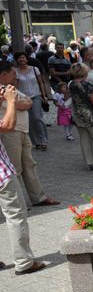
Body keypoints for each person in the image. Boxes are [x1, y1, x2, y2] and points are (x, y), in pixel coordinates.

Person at [0, 72, 45, 274]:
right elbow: (7, 126)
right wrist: (10, 102)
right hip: (2, 174)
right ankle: (24, 262)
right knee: (16, 214)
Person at [0, 62, 58, 207]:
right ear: (3, 74)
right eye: (13, 73)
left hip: (22, 131)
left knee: (29, 165)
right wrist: (19, 102)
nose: (16, 76)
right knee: (15, 168)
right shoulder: (2, 91)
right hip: (10, 132)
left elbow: (28, 101)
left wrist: (20, 102)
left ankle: (39, 197)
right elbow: (20, 104)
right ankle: (18, 203)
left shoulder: (10, 89)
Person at [13, 52, 50, 151]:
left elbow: (41, 83)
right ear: (17, 60)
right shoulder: (16, 72)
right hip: (23, 98)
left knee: (37, 117)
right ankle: (36, 142)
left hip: (36, 96)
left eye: (23, 57)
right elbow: (15, 86)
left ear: (26, 59)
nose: (22, 59)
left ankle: (43, 140)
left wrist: (44, 95)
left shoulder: (34, 69)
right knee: (29, 120)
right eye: (19, 58)